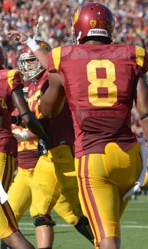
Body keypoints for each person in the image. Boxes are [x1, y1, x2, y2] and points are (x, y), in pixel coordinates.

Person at [39, 2, 148, 249]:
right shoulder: (131, 55)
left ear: (78, 28)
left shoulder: (62, 57)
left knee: (107, 240)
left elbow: (49, 110)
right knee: (105, 236)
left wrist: (51, 90)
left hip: (94, 158)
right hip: (129, 158)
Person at [8, 34, 95, 248]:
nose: (27, 66)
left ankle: (105, 242)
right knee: (39, 212)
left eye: (31, 61)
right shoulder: (35, 86)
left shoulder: (51, 80)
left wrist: (31, 43)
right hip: (48, 154)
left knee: (75, 211)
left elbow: (54, 69)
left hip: (63, 149)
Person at [0, 46, 50, 249]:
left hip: (3, 151)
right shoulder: (7, 77)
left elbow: (27, 116)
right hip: (8, 151)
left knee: (8, 230)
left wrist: (42, 135)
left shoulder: (8, 77)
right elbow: (25, 116)